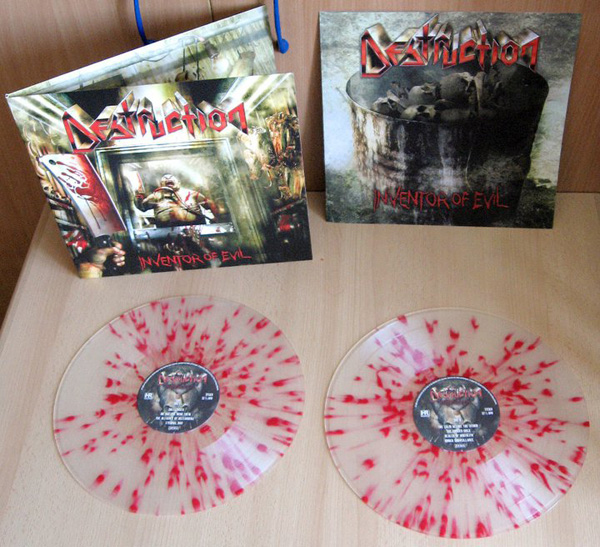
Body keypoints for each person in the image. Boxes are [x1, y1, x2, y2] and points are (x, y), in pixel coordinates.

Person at [135, 174, 214, 227]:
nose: (168, 178)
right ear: (161, 184)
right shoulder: (156, 196)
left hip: (197, 229)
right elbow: (142, 207)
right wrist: (138, 194)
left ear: (179, 183)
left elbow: (210, 206)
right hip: (166, 234)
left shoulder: (192, 194)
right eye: (165, 178)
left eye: (171, 177)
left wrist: (216, 218)